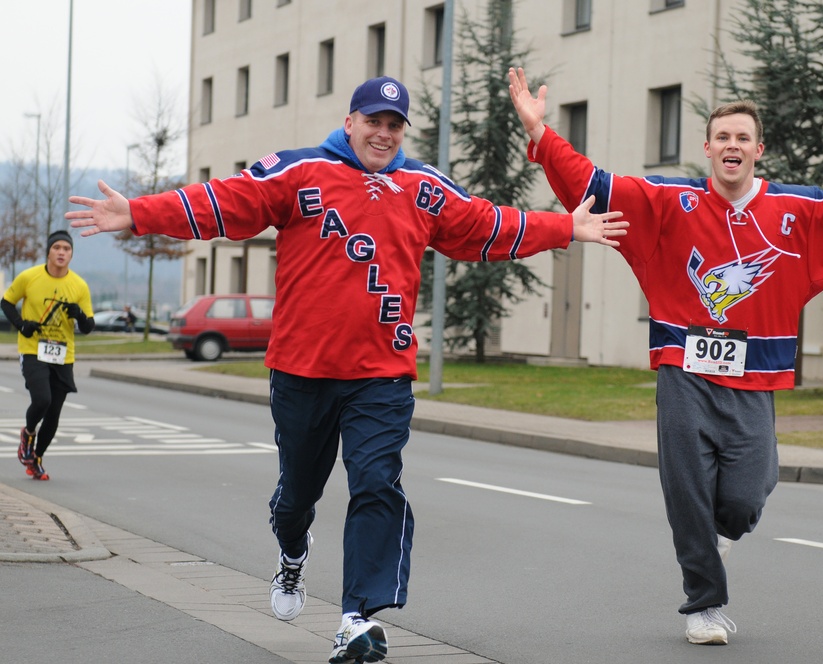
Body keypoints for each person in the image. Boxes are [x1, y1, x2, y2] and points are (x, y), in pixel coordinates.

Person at [66, 75, 627, 663]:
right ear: (350, 121)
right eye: (373, 121)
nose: (383, 134)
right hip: (302, 372)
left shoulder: (423, 188)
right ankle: (291, 553)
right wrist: (138, 213)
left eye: (394, 125)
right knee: (296, 496)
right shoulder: (299, 172)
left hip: (381, 374)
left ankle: (357, 618)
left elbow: (483, 225)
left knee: (377, 483)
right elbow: (224, 203)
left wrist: (565, 226)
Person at [507, 66, 823, 646]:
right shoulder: (668, 202)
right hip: (684, 372)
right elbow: (594, 184)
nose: (732, 146)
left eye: (743, 138)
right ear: (707, 147)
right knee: (687, 493)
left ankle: (718, 539)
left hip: (754, 378)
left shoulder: (799, 211)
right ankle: (703, 606)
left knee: (745, 496)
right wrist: (541, 134)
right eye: (723, 137)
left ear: (758, 150)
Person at [2, 230, 96, 481]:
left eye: (67, 249)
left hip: (63, 354)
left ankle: (36, 459)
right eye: (57, 248)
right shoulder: (30, 277)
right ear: (49, 252)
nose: (62, 252)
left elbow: (88, 327)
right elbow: (6, 302)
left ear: (71, 254)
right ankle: (28, 433)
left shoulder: (78, 285)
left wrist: (79, 315)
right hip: (34, 349)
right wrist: (22, 325)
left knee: (54, 413)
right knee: (42, 399)